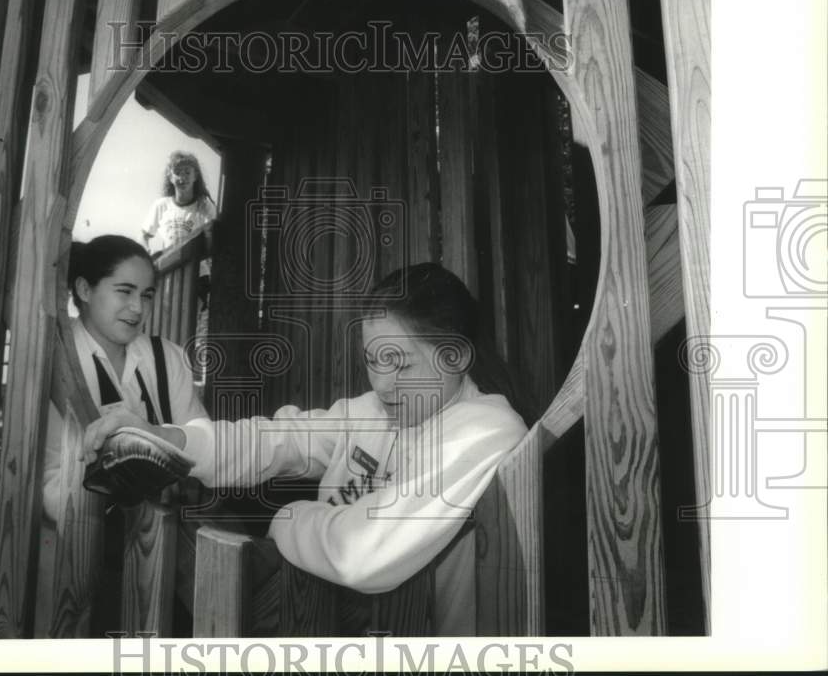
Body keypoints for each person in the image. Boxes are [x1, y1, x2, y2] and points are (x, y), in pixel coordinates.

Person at [80, 262, 531, 635]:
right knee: (189, 518)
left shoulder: (488, 429)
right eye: (374, 360)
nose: (383, 382)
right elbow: (283, 437)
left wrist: (287, 518)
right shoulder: (373, 409)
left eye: (401, 361)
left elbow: (361, 554)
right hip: (325, 615)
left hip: (419, 644)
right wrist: (171, 438)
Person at [36, 235, 208, 635]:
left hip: (162, 548)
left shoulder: (166, 357)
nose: (138, 308)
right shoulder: (54, 358)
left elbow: (200, 442)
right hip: (74, 556)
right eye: (124, 291)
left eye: (146, 295)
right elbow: (48, 483)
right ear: (83, 289)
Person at [141, 151, 217, 308]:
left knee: (193, 322)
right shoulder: (161, 205)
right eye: (177, 173)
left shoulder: (204, 205)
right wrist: (146, 249)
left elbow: (213, 240)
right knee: (169, 321)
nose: (182, 178)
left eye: (187, 172)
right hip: (168, 273)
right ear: (170, 177)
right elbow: (144, 234)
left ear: (195, 176)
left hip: (197, 273)